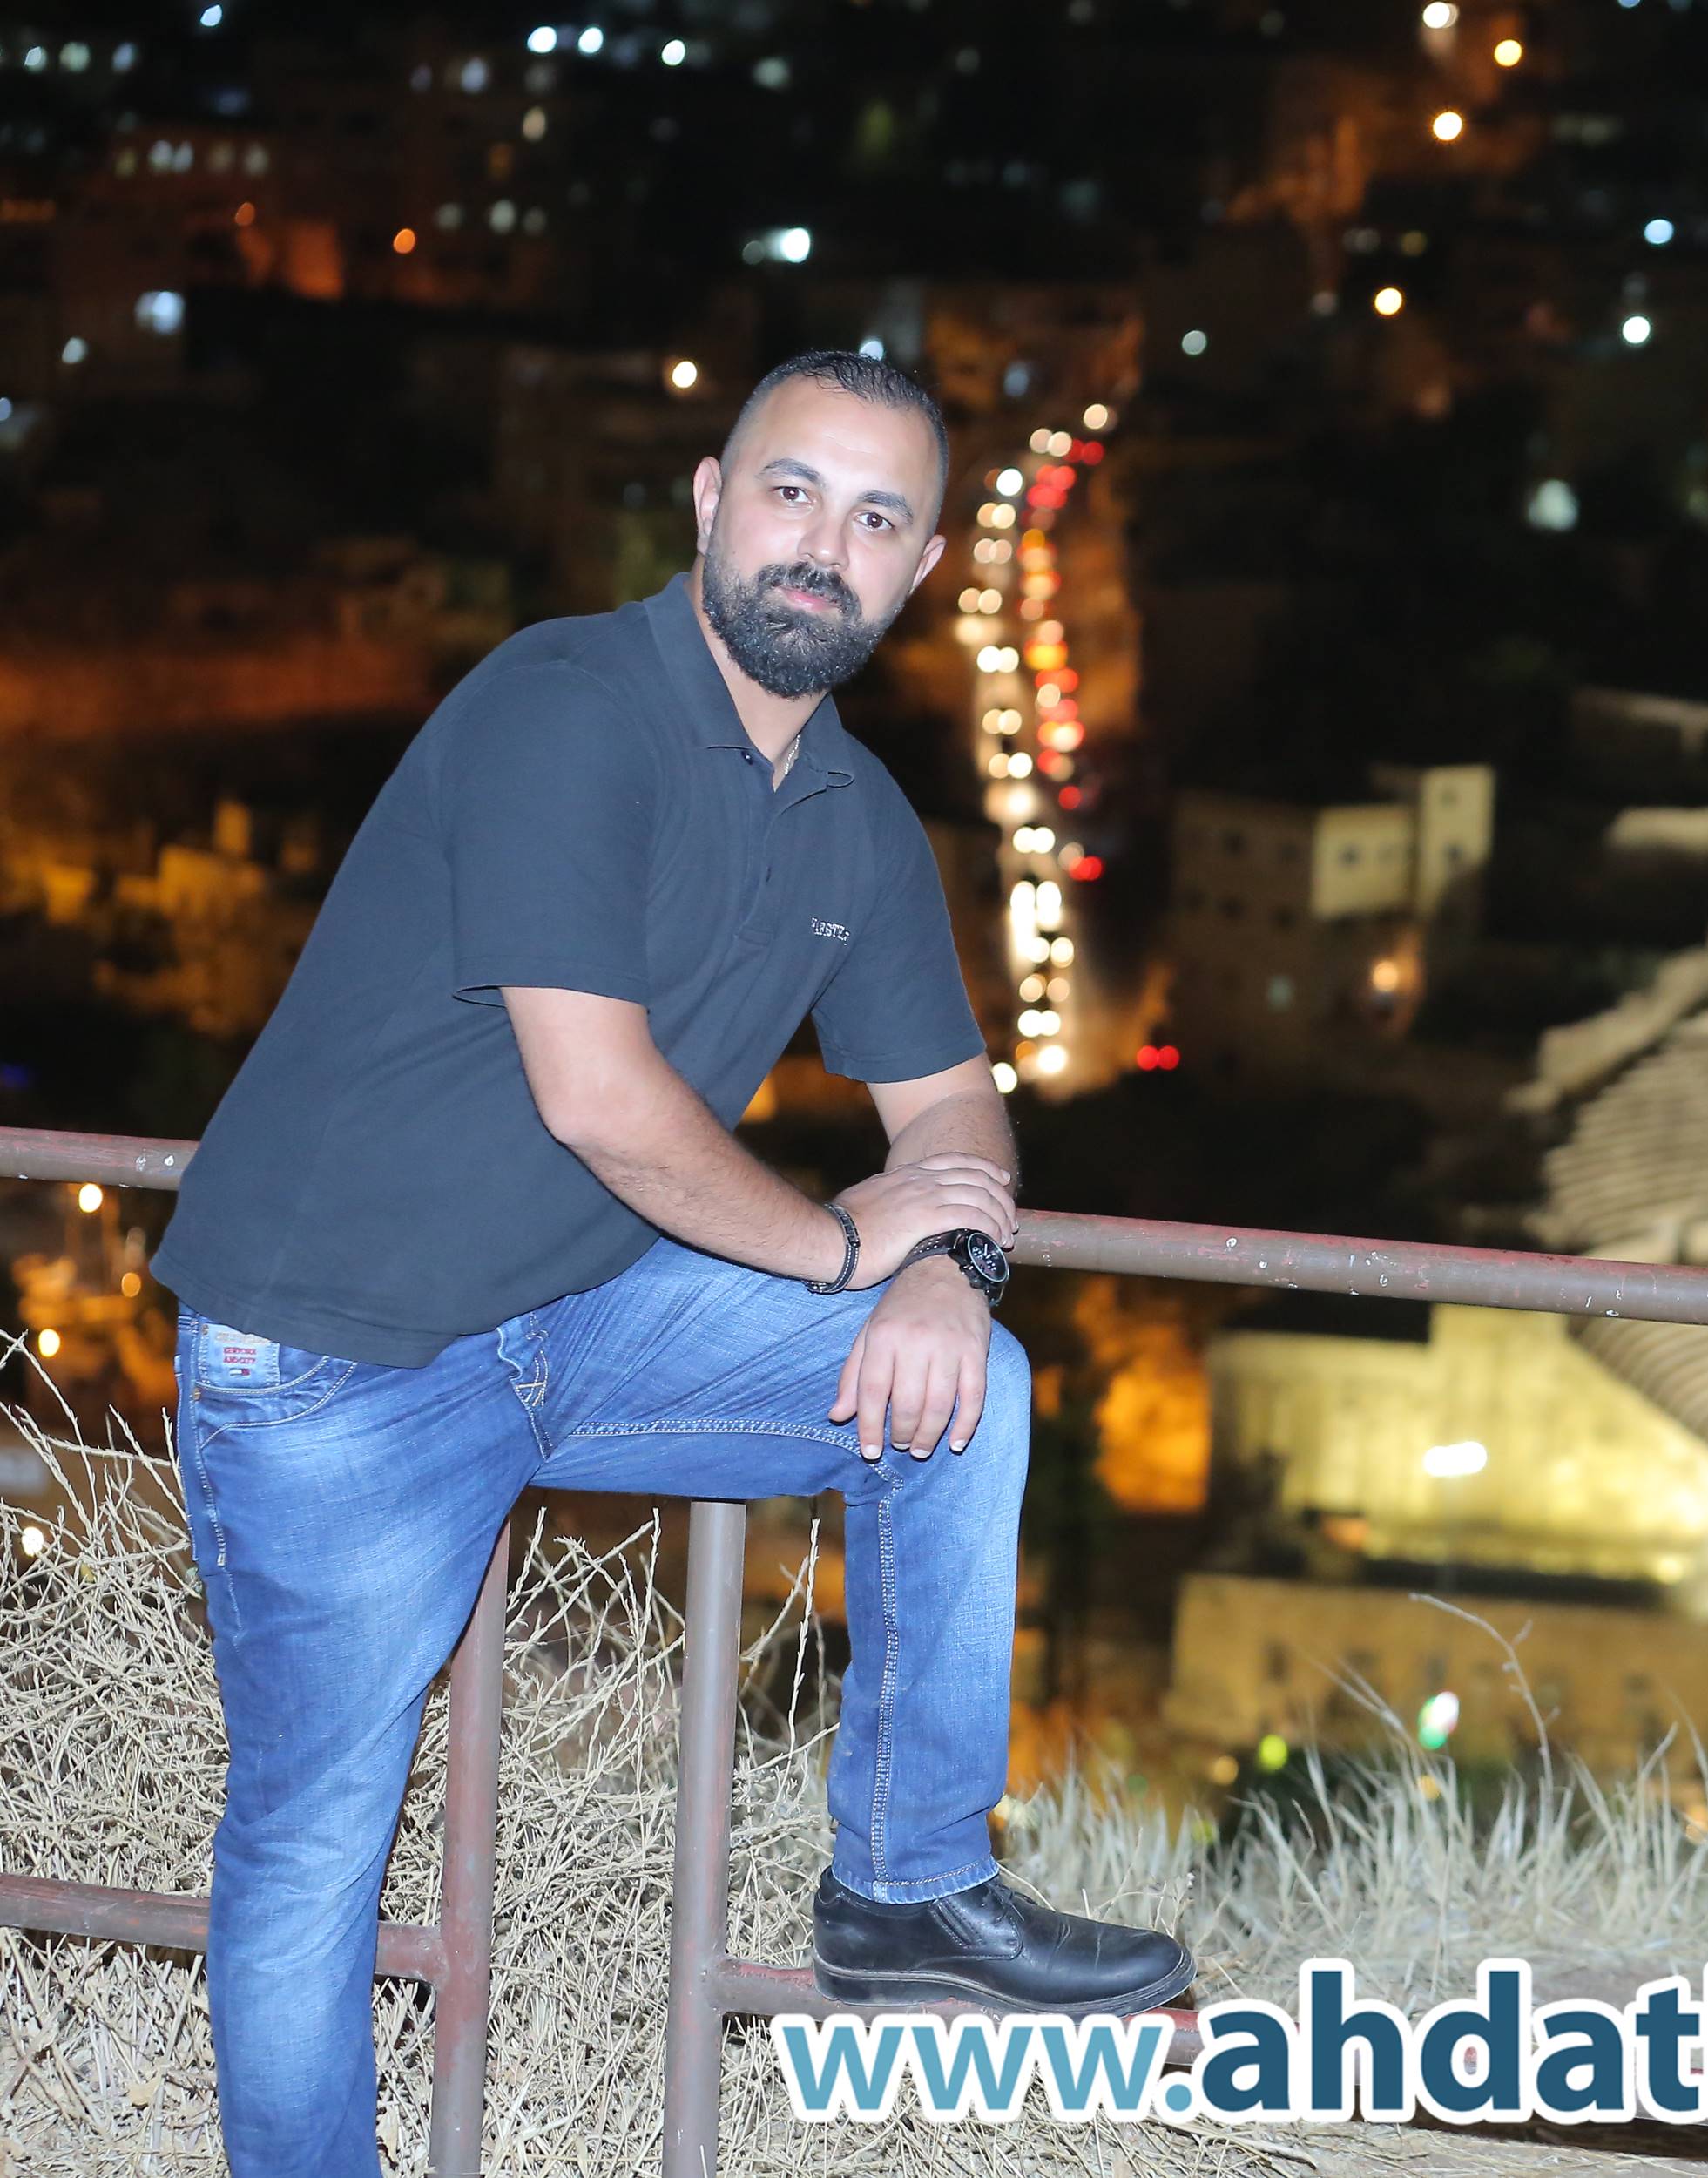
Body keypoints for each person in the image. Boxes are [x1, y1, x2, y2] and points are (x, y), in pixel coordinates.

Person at [150, 352, 1192, 2176]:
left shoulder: (854, 815)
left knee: (966, 1394)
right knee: (314, 1850)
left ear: (921, 566)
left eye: (875, 517)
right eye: (791, 492)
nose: (822, 546)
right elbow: (599, 1098)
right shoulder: (567, 705)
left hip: (567, 1314)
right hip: (334, 1349)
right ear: (710, 500)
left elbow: (953, 1102)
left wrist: (947, 1264)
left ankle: (907, 1885)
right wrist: (840, 1242)